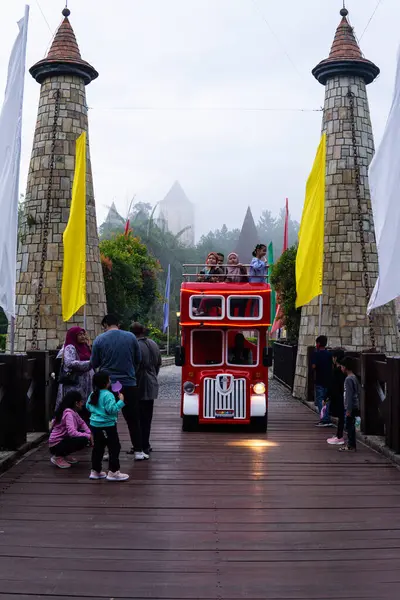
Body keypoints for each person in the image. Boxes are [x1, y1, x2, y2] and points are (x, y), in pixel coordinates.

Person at [91, 314, 148, 461]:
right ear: (118, 323)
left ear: (105, 325)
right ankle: (138, 451)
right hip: (128, 383)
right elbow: (138, 359)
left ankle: (111, 451)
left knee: (109, 419)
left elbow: (95, 363)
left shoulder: (99, 339)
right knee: (133, 419)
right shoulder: (131, 337)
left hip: (108, 385)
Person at [87, 371, 129, 481]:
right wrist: (121, 401)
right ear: (106, 382)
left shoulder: (93, 394)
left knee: (98, 448)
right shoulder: (108, 395)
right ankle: (113, 472)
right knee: (114, 447)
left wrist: (97, 412)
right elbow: (112, 410)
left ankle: (95, 471)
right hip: (107, 425)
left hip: (94, 425)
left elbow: (88, 406)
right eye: (109, 379)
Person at [130, 322, 162, 455]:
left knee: (136, 416)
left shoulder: (134, 344)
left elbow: (134, 365)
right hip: (151, 382)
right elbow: (158, 363)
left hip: (138, 383)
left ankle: (138, 445)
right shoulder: (153, 344)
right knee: (147, 417)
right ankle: (145, 444)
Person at [49, 390, 92, 469]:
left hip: (60, 441)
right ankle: (57, 457)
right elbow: (72, 432)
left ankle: (63, 455)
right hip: (56, 445)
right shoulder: (68, 413)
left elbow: (82, 423)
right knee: (83, 440)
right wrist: (88, 436)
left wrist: (90, 434)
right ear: (76, 403)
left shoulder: (72, 412)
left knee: (84, 437)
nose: (82, 404)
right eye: (81, 402)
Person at [55, 327, 93, 414]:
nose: (83, 336)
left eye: (84, 334)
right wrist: (89, 363)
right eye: (80, 334)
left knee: (84, 407)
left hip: (86, 384)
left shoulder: (85, 346)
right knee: (73, 407)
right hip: (74, 384)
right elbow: (70, 363)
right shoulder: (70, 347)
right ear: (73, 336)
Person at [339, 357, 361, 452]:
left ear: (345, 367)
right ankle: (351, 444)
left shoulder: (348, 379)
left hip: (350, 406)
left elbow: (348, 395)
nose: (341, 368)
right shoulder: (354, 377)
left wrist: (348, 409)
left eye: (342, 366)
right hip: (355, 405)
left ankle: (350, 445)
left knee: (349, 426)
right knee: (351, 425)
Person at [311, 335, 333, 427]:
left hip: (320, 379)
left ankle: (324, 419)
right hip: (328, 379)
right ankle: (327, 417)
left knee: (320, 399)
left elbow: (313, 366)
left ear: (318, 344)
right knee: (327, 399)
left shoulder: (316, 354)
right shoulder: (329, 354)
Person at [326, 348, 346, 445]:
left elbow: (332, 386)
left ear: (336, 358)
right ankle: (339, 435)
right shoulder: (344, 370)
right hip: (343, 395)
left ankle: (339, 436)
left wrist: (327, 397)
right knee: (342, 417)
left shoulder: (336, 371)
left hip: (338, 396)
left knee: (341, 417)